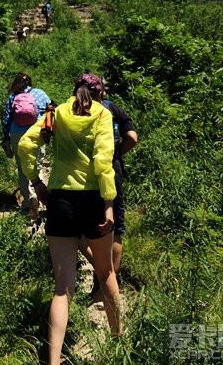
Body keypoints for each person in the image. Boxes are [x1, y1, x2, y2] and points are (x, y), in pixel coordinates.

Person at [19, 74, 122, 364]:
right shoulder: (101, 114)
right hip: (91, 199)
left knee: (62, 288)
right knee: (106, 274)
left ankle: (52, 361)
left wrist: (36, 181)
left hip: (61, 200)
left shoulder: (57, 112)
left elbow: (27, 144)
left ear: (74, 91)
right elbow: (103, 160)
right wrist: (108, 203)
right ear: (99, 95)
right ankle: (118, 342)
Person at [80, 85, 138, 303]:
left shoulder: (74, 109)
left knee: (82, 230)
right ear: (102, 92)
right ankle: (107, 286)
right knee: (115, 228)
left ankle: (99, 278)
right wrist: (116, 155)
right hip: (112, 172)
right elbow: (132, 137)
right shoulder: (113, 108)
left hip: (83, 177)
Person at [1, 73, 51, 217]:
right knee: (38, 164)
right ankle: (40, 195)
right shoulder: (40, 93)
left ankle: (29, 202)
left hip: (17, 132)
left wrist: (5, 138)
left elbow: (6, 119)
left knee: (22, 167)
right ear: (30, 82)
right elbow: (51, 110)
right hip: (37, 132)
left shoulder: (13, 96)